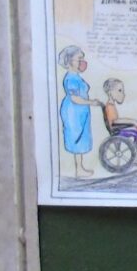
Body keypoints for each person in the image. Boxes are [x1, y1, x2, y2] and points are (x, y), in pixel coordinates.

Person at [56, 44, 99, 179]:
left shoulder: (76, 76)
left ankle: (80, 168)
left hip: (79, 111)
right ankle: (79, 169)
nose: (82, 62)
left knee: (80, 137)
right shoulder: (71, 78)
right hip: (73, 112)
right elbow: (74, 98)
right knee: (76, 138)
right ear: (69, 61)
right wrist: (91, 102)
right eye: (79, 59)